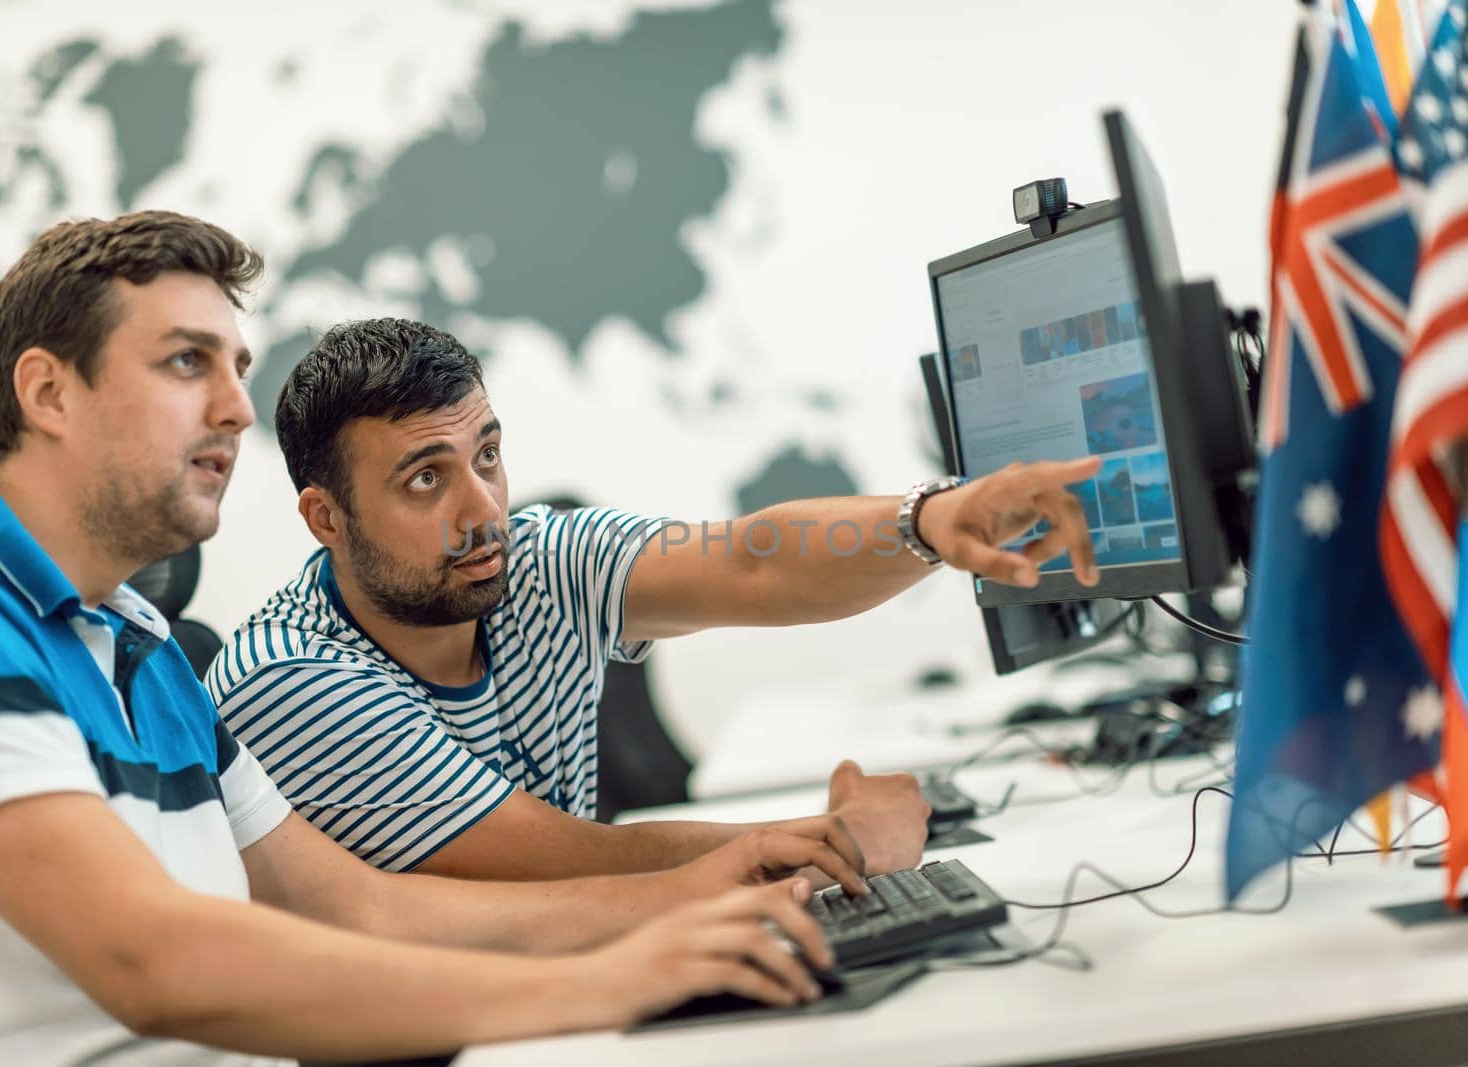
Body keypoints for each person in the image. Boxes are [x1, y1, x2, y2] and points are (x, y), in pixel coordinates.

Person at [0, 212, 873, 1066]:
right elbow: (154, 961)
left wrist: (702, 899)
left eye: (235, 368)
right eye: (185, 363)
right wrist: (604, 980)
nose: (232, 409)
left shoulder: (134, 635)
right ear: (49, 392)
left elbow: (358, 907)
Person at [208, 317, 1101, 883]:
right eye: (424, 480)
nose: (483, 509)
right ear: (326, 518)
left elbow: (754, 561)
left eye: (486, 454)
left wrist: (932, 521)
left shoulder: (537, 558)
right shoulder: (289, 677)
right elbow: (561, 863)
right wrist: (829, 841)